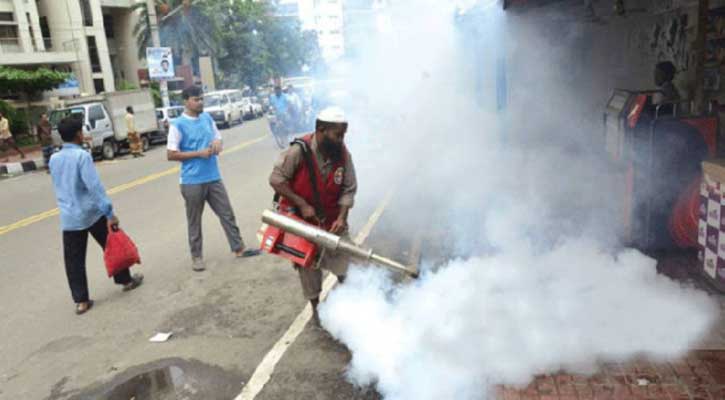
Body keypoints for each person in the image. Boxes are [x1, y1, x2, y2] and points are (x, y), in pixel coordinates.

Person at [269, 106, 357, 321]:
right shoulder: (298, 151)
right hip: (302, 223)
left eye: (343, 135)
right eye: (337, 135)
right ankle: (317, 312)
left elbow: (348, 188)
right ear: (321, 130)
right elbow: (276, 179)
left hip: (332, 220)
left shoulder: (343, 154)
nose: (341, 139)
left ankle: (355, 306)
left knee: (347, 263)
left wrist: (341, 217)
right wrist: (301, 204)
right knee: (307, 267)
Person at [49, 117, 144, 315]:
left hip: (69, 217)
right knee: (112, 245)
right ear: (78, 134)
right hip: (91, 213)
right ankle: (125, 280)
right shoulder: (82, 156)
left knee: (73, 260)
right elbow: (94, 187)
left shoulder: (54, 159)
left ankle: (81, 301)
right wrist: (109, 213)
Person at [167, 85, 259, 272]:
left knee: (226, 213)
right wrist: (198, 153)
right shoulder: (178, 125)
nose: (200, 102)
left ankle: (239, 248)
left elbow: (218, 137)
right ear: (186, 101)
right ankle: (197, 257)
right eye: (196, 99)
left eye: (201, 99)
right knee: (194, 221)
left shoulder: (207, 118)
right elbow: (171, 154)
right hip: (192, 181)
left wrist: (217, 143)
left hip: (213, 177)